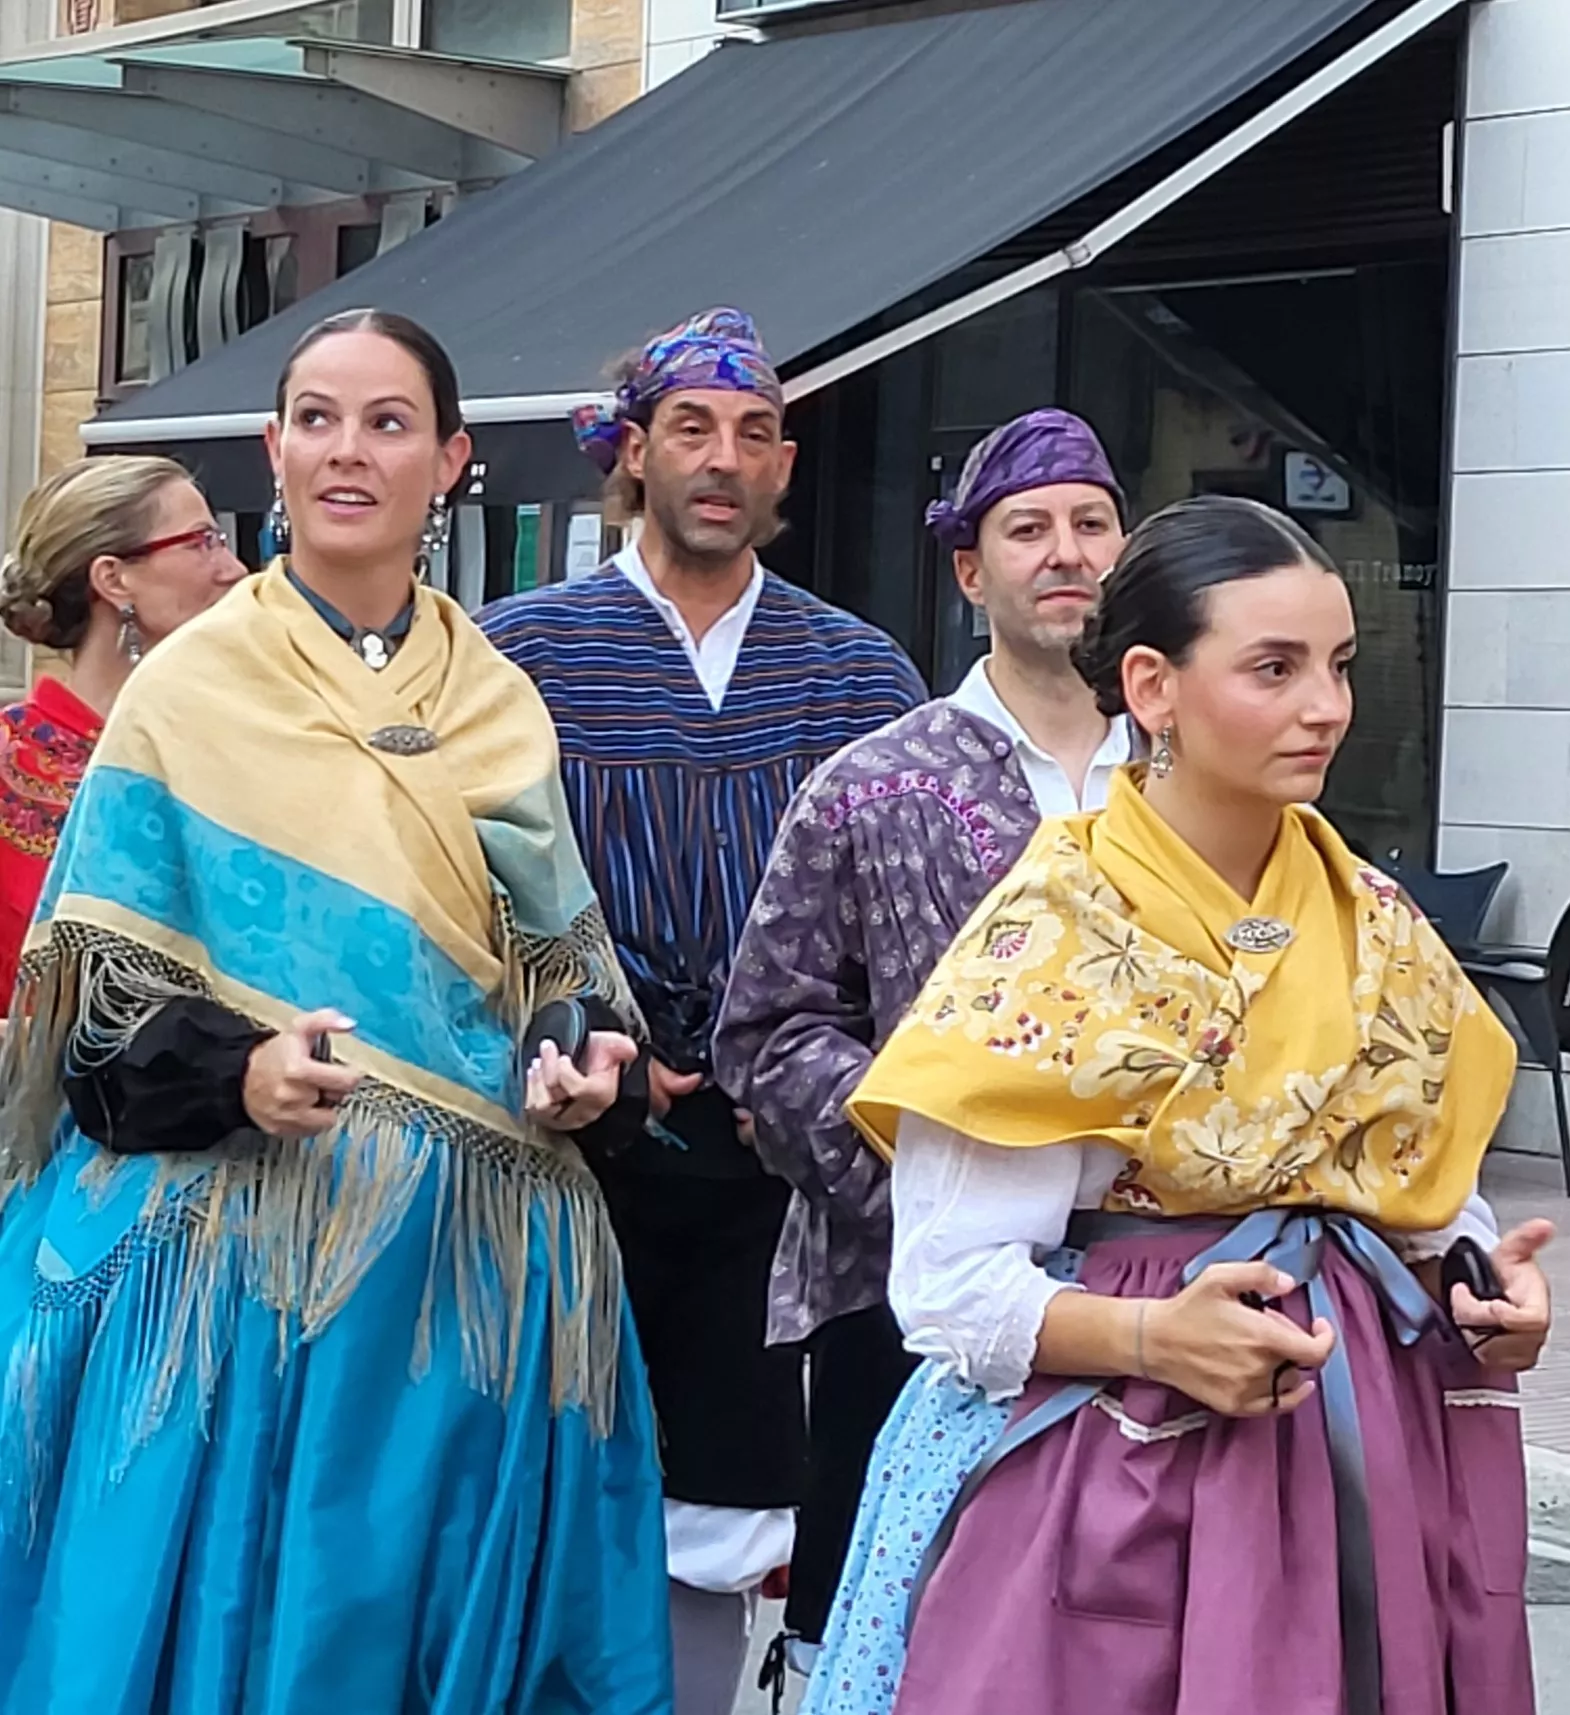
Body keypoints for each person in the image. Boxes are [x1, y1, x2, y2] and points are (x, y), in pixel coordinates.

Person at [0, 307, 663, 1712]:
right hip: (251, 1285)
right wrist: (242, 1073)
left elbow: (560, 975)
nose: (346, 451)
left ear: (452, 460)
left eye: (386, 421)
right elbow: (100, 1034)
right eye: (315, 417)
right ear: (273, 451)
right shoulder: (186, 691)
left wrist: (578, 1067)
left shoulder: (500, 699)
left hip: (474, 1290)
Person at [802, 495, 1551, 1715]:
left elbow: (1423, 1206)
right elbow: (947, 1284)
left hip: (1359, 1452)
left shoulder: (1383, 926)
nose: (1327, 705)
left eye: (1341, 666)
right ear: (1151, 685)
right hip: (1106, 1456)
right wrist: (1156, 1337)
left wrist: (1483, 1282)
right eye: (1275, 667)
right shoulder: (1057, 932)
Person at [480, 305, 926, 1710]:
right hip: (570, 1142)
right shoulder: (517, 657)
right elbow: (460, 894)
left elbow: (905, 918)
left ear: (785, 463)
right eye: (691, 428)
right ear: (632, 452)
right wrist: (577, 1029)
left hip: (788, 1157)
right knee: (562, 1486)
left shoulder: (860, 672)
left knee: (766, 1508)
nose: (723, 460)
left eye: (752, 433)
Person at [716, 407, 1131, 1660]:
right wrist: (930, 1150)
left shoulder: (1193, 775)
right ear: (971, 569)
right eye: (1029, 528)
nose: (1066, 553)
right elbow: (770, 1030)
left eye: (1093, 524)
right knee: (892, 1638)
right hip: (906, 1295)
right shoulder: (873, 782)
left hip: (1156, 1278)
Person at [0, 454, 246, 1005]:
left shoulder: (235, 751)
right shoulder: (10, 761)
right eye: (202, 542)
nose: (234, 569)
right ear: (114, 579)